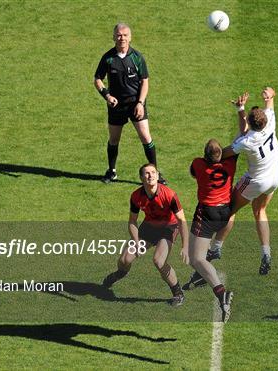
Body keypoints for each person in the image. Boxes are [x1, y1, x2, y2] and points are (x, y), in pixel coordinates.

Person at [102, 163, 189, 306]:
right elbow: (132, 221)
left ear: (157, 175)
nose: (151, 175)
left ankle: (178, 293)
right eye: (147, 173)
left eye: (153, 172)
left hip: (169, 227)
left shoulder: (169, 195)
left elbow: (182, 221)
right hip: (149, 227)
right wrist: (136, 242)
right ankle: (119, 274)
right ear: (141, 178)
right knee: (125, 259)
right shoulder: (136, 196)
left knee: (159, 261)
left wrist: (185, 246)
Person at [219, 87, 278, 275]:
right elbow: (270, 100)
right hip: (275, 175)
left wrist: (209, 154)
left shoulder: (247, 142)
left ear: (249, 121)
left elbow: (224, 153)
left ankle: (215, 247)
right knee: (260, 210)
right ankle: (266, 253)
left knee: (230, 208)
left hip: (257, 180)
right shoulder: (269, 122)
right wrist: (267, 96)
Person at [94, 23, 165, 184]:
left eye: (125, 35)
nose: (122, 38)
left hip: (135, 104)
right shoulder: (108, 58)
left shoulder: (137, 58)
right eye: (119, 35)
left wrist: (140, 103)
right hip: (116, 106)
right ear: (113, 37)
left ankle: (156, 173)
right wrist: (107, 96)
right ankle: (111, 171)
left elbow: (145, 82)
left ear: (130, 37)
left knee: (146, 137)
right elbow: (97, 79)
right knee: (114, 139)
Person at [185, 139, 238, 322]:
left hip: (207, 213)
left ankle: (221, 292)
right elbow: (240, 138)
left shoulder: (198, 164)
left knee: (195, 258)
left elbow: (193, 173)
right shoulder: (230, 164)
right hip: (225, 213)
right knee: (200, 258)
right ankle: (202, 276)